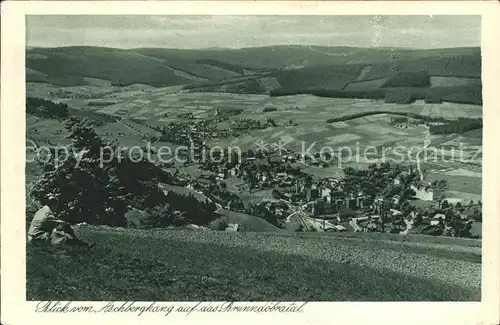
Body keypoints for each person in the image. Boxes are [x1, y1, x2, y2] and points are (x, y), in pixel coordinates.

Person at [27, 200, 94, 248]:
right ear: (53, 205)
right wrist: (77, 225)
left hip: (31, 235)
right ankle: (77, 245)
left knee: (58, 232)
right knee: (61, 233)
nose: (57, 207)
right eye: (56, 205)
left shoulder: (41, 210)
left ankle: (76, 243)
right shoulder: (48, 214)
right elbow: (62, 224)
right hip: (37, 238)